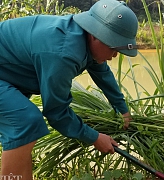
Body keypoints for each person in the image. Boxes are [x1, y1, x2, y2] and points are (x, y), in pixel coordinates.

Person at [0, 0, 138, 179]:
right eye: (113, 47)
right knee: (26, 123)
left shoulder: (83, 37)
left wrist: (123, 110)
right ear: (96, 35)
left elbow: (103, 74)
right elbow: (57, 112)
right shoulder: (64, 52)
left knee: (24, 134)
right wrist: (94, 137)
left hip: (7, 71)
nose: (115, 55)